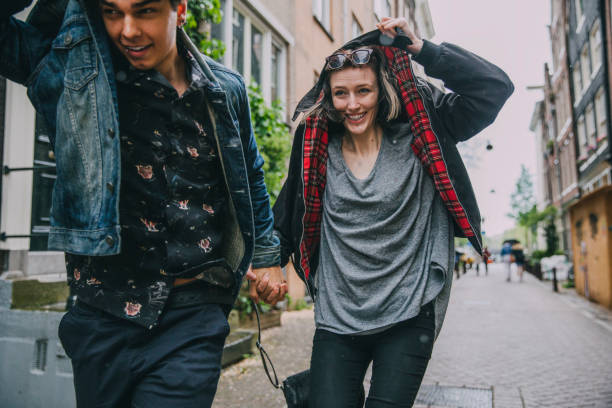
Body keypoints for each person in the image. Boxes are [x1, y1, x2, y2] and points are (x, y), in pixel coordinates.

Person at [1, 1, 286, 407]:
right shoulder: (72, 72)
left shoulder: (225, 89)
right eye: (112, 12)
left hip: (193, 316)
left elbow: (249, 173)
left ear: (180, 10)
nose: (128, 30)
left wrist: (266, 254)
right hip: (102, 316)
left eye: (145, 11)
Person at [273, 16, 513, 408]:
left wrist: (423, 50)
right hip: (338, 317)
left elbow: (493, 88)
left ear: (381, 90)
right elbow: (289, 211)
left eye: (363, 90)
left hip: (408, 314)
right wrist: (270, 263)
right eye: (341, 94)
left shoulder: (425, 130)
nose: (352, 104)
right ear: (329, 96)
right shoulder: (317, 146)